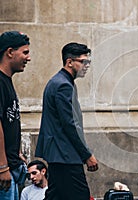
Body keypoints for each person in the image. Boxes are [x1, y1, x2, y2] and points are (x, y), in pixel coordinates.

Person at [35, 42, 99, 200]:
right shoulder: (63, 85)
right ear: (69, 62)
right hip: (65, 155)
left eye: (88, 62)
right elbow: (69, 124)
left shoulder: (59, 81)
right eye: (83, 61)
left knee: (55, 196)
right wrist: (86, 155)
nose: (86, 66)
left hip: (59, 154)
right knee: (81, 195)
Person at [0, 31, 31, 200]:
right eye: (25, 52)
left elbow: (8, 120)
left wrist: (15, 151)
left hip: (11, 165)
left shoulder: (7, 80)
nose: (28, 58)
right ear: (10, 52)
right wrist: (3, 166)